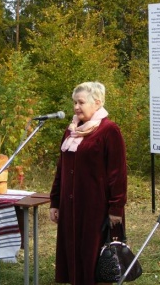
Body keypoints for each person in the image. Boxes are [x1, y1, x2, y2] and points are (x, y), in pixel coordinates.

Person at [49, 81, 128, 285]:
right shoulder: (71, 131)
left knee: (95, 263)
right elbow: (61, 169)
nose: (76, 107)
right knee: (75, 258)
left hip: (96, 210)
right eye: (74, 102)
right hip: (71, 208)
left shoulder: (109, 131)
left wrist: (116, 208)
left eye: (81, 102)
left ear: (97, 103)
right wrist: (55, 202)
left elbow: (117, 173)